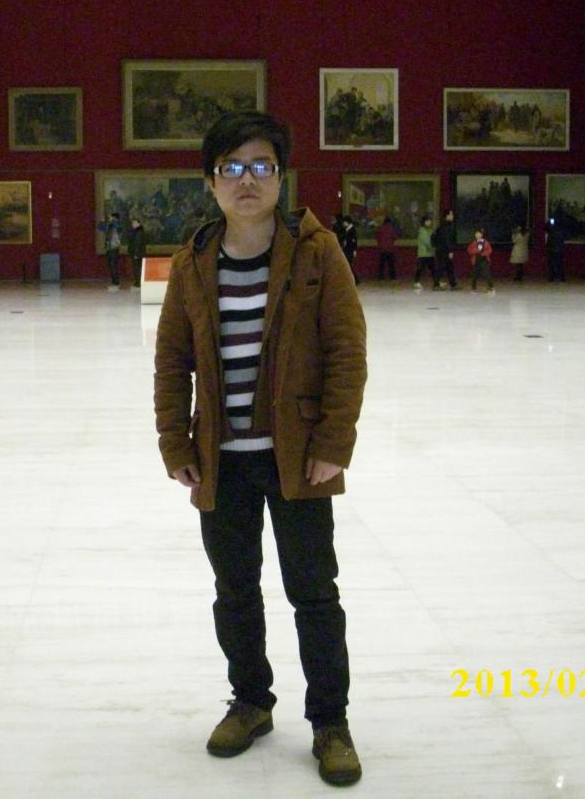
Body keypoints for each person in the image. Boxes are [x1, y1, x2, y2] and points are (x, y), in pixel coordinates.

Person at [154, 111, 367, 787]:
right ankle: (250, 702)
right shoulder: (192, 261)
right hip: (222, 459)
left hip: (298, 457)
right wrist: (174, 442)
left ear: (280, 177)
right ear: (211, 181)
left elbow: (347, 351)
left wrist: (334, 442)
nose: (247, 180)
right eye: (232, 168)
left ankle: (330, 722)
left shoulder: (316, 251)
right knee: (234, 590)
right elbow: (171, 361)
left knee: (314, 593)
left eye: (261, 167)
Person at [433, 209, 459, 290]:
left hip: (441, 249)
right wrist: (450, 250)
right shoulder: (446, 226)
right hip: (444, 250)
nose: (452, 216)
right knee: (441, 267)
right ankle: (436, 284)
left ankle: (453, 284)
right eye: (451, 214)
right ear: (446, 216)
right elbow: (447, 239)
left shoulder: (443, 225)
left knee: (449, 267)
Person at [98, 211, 123, 290]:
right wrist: (102, 221)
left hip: (114, 247)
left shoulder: (118, 225)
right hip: (109, 248)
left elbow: (118, 226)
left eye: (111, 217)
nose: (109, 219)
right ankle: (113, 282)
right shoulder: (109, 226)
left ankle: (116, 283)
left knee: (113, 265)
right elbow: (100, 228)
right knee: (111, 266)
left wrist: (113, 220)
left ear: (115, 218)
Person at [332, 213, 359, 283]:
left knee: (348, 264)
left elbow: (354, 240)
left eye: (344, 222)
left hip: (350, 249)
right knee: (347, 264)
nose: (343, 223)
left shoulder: (351, 229)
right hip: (347, 248)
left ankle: (355, 279)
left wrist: (354, 250)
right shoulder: (347, 229)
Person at [467, 227, 495, 294]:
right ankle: (473, 288)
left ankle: (491, 288)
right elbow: (469, 250)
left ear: (482, 234)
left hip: (484, 260)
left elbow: (489, 250)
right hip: (476, 260)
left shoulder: (486, 242)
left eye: (479, 233)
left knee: (487, 274)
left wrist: (483, 254)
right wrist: (475, 251)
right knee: (474, 275)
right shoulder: (473, 242)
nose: (477, 235)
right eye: (476, 233)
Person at [413, 214, 436, 291]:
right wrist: (433, 247)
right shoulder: (422, 230)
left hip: (430, 253)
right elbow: (426, 241)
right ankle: (416, 282)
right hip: (423, 253)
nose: (429, 222)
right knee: (420, 268)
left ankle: (436, 281)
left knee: (433, 268)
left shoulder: (430, 230)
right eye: (428, 221)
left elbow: (433, 239)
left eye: (430, 221)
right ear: (424, 222)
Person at [374, 215, 397, 280]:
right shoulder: (391, 229)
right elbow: (395, 237)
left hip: (382, 249)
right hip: (390, 249)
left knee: (382, 264)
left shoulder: (380, 228)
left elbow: (377, 237)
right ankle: (392, 277)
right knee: (391, 264)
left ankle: (381, 277)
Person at [127, 216, 147, 288]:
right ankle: (137, 282)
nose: (133, 224)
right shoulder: (136, 231)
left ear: (139, 224)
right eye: (132, 223)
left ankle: (138, 283)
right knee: (136, 268)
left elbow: (138, 244)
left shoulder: (139, 232)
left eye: (135, 223)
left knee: (137, 268)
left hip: (137, 253)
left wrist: (136, 253)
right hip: (136, 253)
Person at [546, 217, 567, 282]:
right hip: (559, 249)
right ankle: (561, 277)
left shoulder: (551, 231)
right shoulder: (561, 231)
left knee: (552, 264)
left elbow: (546, 228)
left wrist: (549, 221)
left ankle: (552, 277)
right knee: (560, 264)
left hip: (552, 249)